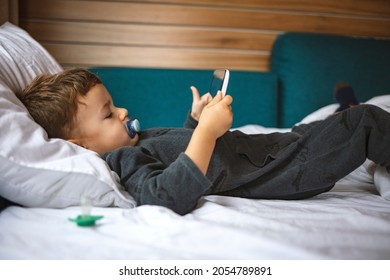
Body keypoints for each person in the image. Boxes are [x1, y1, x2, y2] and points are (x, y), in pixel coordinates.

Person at [17, 68, 390, 215]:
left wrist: (194, 122)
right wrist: (208, 133)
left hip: (275, 148)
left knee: (336, 121)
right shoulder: (122, 163)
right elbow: (165, 194)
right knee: (364, 121)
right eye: (108, 113)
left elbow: (175, 152)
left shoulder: (135, 144)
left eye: (114, 104)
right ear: (81, 145)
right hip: (284, 169)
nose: (122, 110)